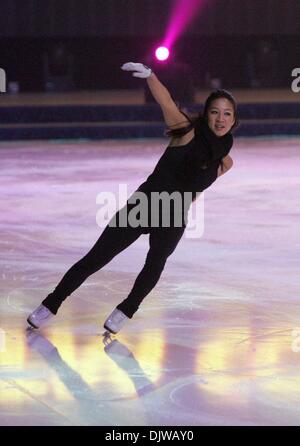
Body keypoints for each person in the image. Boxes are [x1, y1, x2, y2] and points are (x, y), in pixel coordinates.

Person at [27, 62, 237, 334]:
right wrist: (151, 76)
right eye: (215, 112)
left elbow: (196, 191)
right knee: (96, 258)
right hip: (144, 205)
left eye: (227, 114)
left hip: (173, 215)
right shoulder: (187, 131)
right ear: (206, 114)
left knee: (154, 264)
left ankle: (126, 310)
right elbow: (167, 102)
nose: (220, 119)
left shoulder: (226, 162)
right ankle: (50, 304)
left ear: (234, 120)